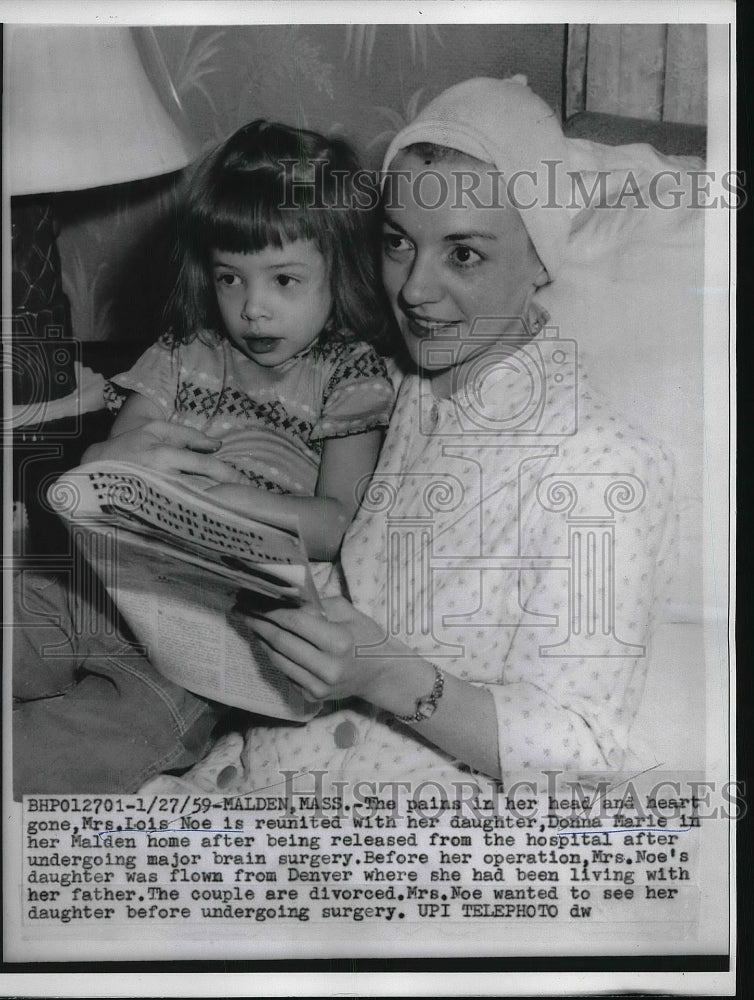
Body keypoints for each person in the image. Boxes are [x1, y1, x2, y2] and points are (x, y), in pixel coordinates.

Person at [149, 75, 676, 795]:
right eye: (398, 243)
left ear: (541, 261)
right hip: (248, 773)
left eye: (463, 254)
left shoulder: (604, 466)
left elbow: (582, 753)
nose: (414, 290)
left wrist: (389, 677)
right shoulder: (390, 389)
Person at [13, 120, 394, 794]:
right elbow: (115, 461)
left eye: (284, 279)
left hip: (200, 648)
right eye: (229, 278)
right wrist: (111, 457)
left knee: (74, 749)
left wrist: (230, 504)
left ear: (340, 270)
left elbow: (339, 519)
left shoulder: (349, 373)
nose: (253, 308)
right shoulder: (183, 351)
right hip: (96, 590)